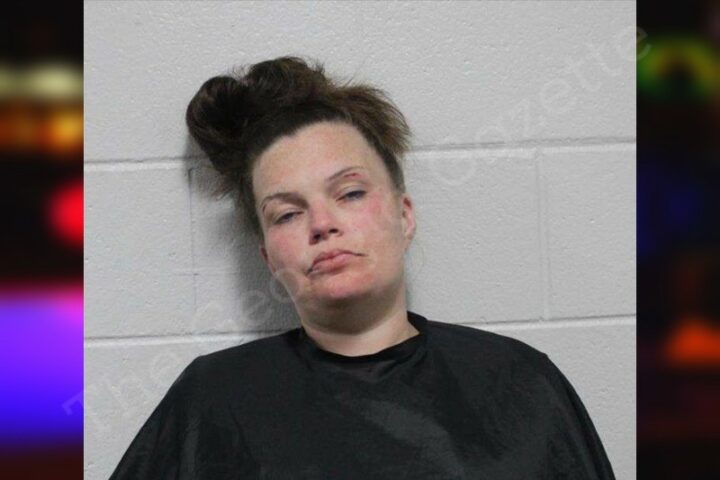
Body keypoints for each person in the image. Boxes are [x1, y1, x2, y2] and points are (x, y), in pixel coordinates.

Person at [109, 56, 616, 479]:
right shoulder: (214, 400)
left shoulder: (519, 384)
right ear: (268, 256)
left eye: (350, 193)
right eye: (287, 213)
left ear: (404, 215)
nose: (322, 224)